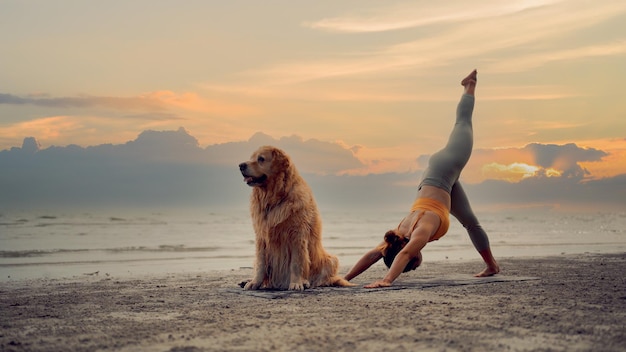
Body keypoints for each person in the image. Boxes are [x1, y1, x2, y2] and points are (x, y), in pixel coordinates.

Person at [343, 69, 499, 288]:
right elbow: (374, 254)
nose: (417, 264)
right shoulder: (398, 235)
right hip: (439, 180)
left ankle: (470, 84)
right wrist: (344, 279)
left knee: (463, 123)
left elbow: (406, 253)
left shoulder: (419, 232)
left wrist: (387, 280)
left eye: (414, 266)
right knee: (471, 223)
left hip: (444, 168)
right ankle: (491, 266)